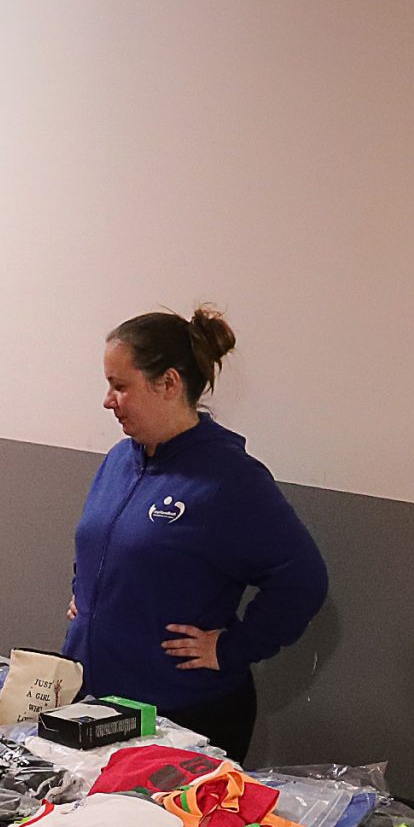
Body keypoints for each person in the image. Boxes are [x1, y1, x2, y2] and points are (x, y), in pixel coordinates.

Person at [62, 306, 328, 763]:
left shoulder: (229, 479)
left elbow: (303, 579)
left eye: (120, 386)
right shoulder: (119, 460)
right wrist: (87, 593)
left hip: (181, 714)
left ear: (168, 383)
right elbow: (101, 541)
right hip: (97, 702)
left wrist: (233, 647)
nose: (108, 400)